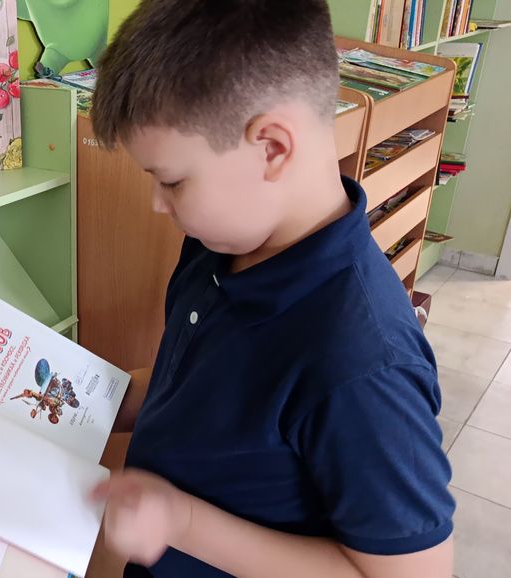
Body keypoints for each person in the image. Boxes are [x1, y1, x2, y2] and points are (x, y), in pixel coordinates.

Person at [87, 1, 454, 576]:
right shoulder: (220, 245)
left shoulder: (362, 362)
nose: (158, 203)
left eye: (172, 181)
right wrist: (88, 398)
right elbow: (193, 384)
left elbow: (412, 573)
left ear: (273, 148)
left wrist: (181, 522)